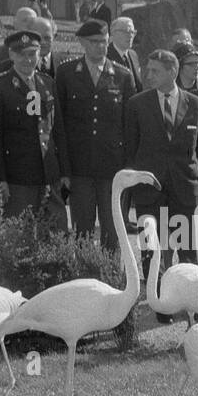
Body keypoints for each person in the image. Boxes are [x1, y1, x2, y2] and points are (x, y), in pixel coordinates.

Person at [54, 18, 137, 248]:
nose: (100, 46)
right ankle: (84, 277)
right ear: (81, 42)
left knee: (112, 228)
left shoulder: (122, 75)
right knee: (83, 229)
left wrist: (129, 167)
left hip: (112, 167)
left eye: (104, 41)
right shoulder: (67, 73)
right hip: (80, 167)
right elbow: (60, 124)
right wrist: (64, 169)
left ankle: (111, 278)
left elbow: (129, 126)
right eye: (94, 42)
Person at [123, 47, 198, 263]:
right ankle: (156, 296)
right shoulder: (137, 104)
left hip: (185, 191)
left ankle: (187, 297)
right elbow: (131, 147)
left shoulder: (197, 106)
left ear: (172, 72)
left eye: (155, 71)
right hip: (150, 192)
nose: (149, 75)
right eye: (148, 70)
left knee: (189, 256)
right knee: (152, 255)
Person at [0, 29, 68, 228]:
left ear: (39, 54)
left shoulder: (47, 83)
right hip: (18, 176)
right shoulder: (0, 87)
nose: (27, 60)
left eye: (32, 54)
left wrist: (65, 171)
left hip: (48, 174)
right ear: (11, 55)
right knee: (19, 236)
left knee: (57, 233)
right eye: (21, 54)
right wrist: (1, 179)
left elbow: (58, 129)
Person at [107, 17, 142, 88]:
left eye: (132, 32)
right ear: (113, 33)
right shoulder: (105, 55)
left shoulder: (133, 55)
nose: (130, 36)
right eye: (126, 31)